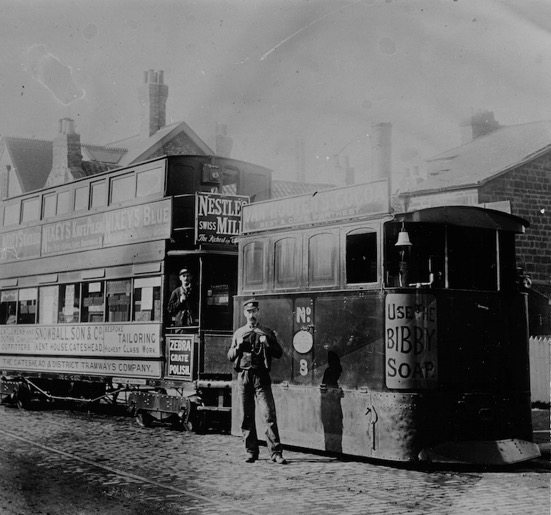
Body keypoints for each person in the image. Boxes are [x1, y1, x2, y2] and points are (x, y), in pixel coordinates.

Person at [228, 298, 287, 464]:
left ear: (258, 312)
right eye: (248, 312)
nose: (251, 315)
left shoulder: (266, 331)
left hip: (261, 377)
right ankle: (251, 451)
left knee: (269, 414)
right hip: (244, 378)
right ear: (244, 313)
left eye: (254, 311)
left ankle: (275, 453)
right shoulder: (239, 333)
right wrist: (238, 347)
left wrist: (267, 343)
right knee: (246, 416)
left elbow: (278, 353)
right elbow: (230, 356)